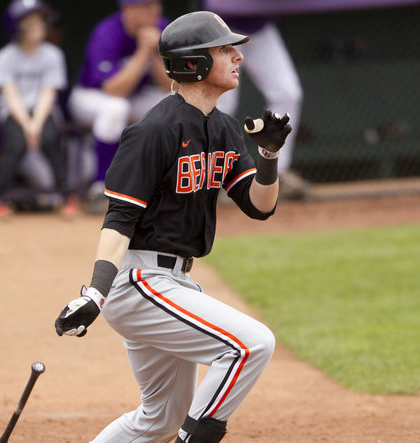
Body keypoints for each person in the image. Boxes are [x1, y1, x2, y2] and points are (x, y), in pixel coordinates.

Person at [55, 11, 292, 443]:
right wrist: (95, 292)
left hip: (172, 283)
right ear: (194, 63)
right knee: (251, 343)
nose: (238, 56)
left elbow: (259, 207)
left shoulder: (221, 128)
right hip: (138, 282)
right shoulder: (153, 131)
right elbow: (119, 219)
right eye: (225, 49)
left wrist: (269, 158)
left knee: (159, 419)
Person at [68, 0, 172, 212]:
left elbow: (170, 84)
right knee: (115, 108)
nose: (155, 11)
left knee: (176, 102)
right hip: (90, 97)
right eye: (147, 6)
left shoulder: (163, 28)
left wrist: (154, 53)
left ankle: (170, 186)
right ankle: (100, 188)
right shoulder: (106, 32)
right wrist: (143, 51)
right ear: (128, 10)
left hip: (133, 97)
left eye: (156, 5)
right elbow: (113, 89)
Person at [0, 0, 78, 220]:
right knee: (16, 143)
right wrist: (27, 126)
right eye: (30, 22)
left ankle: (68, 196)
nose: (39, 26)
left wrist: (36, 124)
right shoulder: (4, 57)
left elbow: (48, 94)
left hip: (43, 112)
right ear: (15, 27)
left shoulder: (53, 54)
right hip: (13, 112)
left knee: (51, 138)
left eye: (40, 21)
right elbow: (11, 97)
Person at [215, 15, 307, 199]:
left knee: (287, 94)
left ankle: (276, 173)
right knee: (221, 102)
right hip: (220, 26)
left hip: (259, 26)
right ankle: (213, 179)